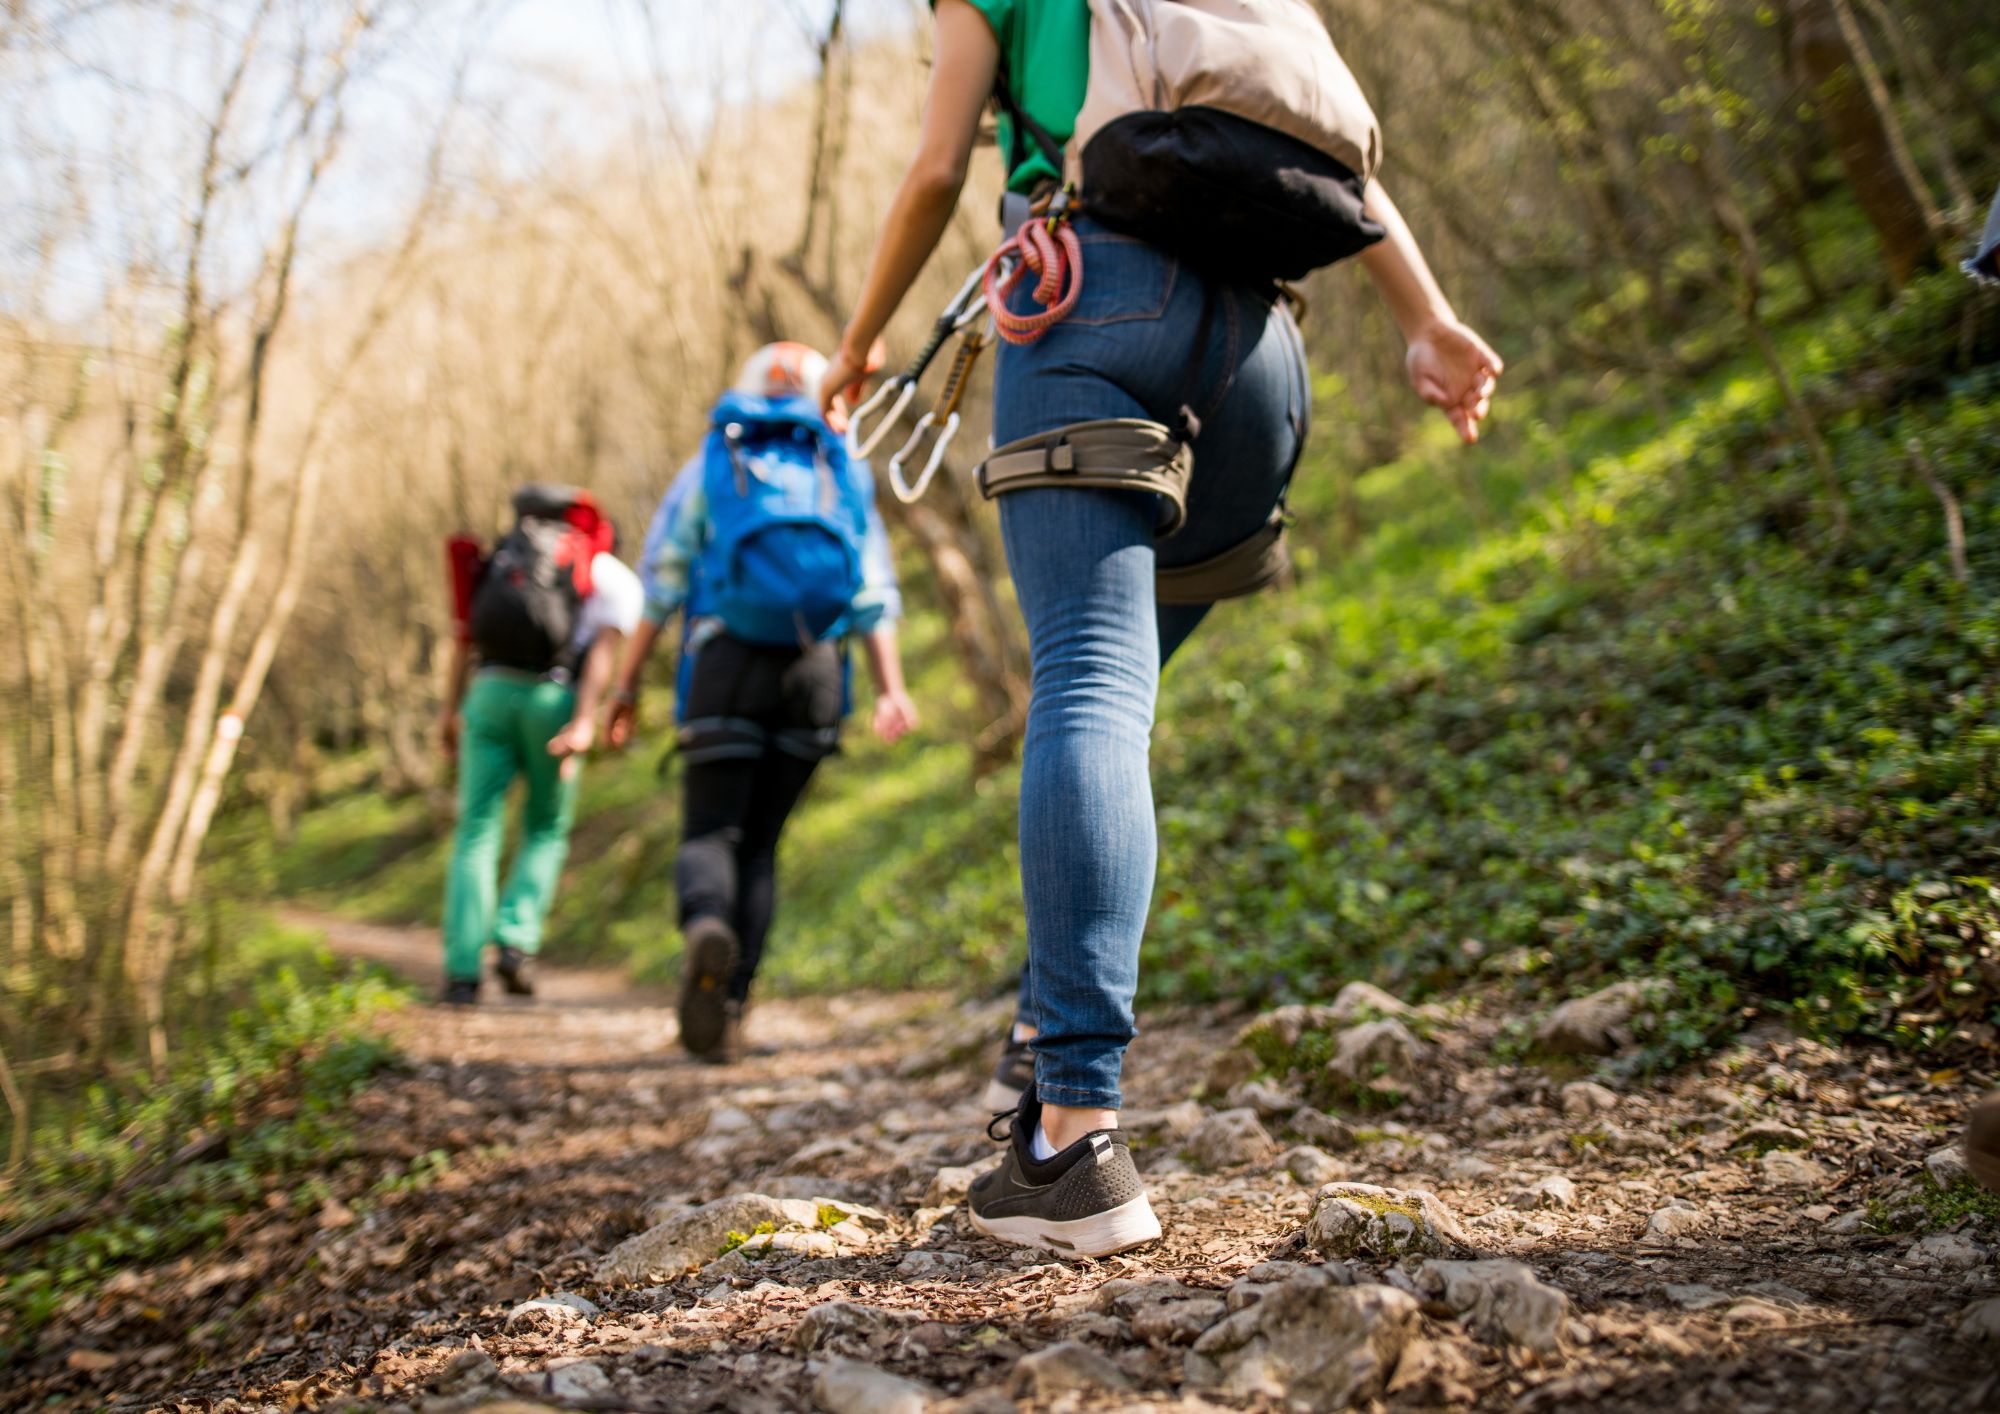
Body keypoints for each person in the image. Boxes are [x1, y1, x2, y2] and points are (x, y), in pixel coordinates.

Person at [820, 0, 1502, 1254]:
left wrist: (860, 343)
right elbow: (1337, 156)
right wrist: (1425, 318)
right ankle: (1043, 1024)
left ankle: (1069, 1139)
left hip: (1086, 303)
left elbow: (931, 167)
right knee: (1110, 693)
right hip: (1260, 363)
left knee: (1088, 683)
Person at [608, 342, 918, 1063]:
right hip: (813, 672)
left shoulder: (716, 460)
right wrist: (893, 689)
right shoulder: (842, 464)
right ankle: (735, 1007)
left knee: (712, 831)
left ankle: (705, 926)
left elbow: (663, 579)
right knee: (763, 847)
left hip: (725, 663)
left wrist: (625, 687)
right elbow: (873, 591)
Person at [439, 485, 642, 1004]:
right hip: (552, 698)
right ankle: (515, 942)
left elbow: (464, 637)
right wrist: (583, 720)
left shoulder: (503, 559)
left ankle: (462, 972)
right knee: (546, 826)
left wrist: (449, 709)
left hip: (487, 693)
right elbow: (602, 651)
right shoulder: (601, 569)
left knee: (476, 829)